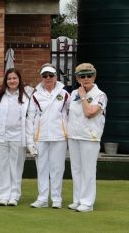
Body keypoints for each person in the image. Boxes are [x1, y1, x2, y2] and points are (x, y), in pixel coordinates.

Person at [0, 68, 33, 207]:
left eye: (14, 78)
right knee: (2, 166)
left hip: (19, 136)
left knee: (16, 167)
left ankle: (14, 196)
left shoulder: (26, 96)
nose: (12, 81)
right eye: (9, 79)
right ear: (5, 80)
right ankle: (3, 196)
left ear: (19, 80)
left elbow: (29, 116)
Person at [28, 65, 70, 209]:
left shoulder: (64, 94)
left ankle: (57, 199)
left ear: (55, 77)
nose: (48, 78)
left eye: (50, 75)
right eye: (45, 76)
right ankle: (43, 199)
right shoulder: (35, 95)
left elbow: (71, 114)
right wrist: (30, 140)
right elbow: (30, 118)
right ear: (41, 77)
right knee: (41, 168)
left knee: (57, 168)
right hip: (41, 137)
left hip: (59, 136)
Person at [67, 63, 106, 213]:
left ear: (94, 76)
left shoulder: (100, 95)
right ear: (77, 78)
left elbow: (90, 112)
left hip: (90, 137)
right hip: (74, 136)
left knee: (88, 170)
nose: (86, 78)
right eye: (82, 76)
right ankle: (77, 199)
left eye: (89, 75)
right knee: (76, 169)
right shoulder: (73, 95)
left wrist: (83, 95)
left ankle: (87, 202)